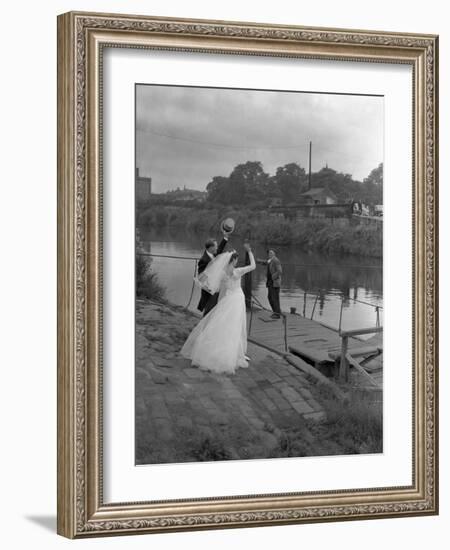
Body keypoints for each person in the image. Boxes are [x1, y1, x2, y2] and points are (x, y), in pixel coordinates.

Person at [181, 244, 256, 374]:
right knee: (236, 326)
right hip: (237, 300)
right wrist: (250, 252)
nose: (237, 262)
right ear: (233, 260)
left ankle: (224, 351)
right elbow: (253, 266)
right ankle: (235, 354)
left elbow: (217, 288)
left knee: (224, 325)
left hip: (228, 300)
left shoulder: (222, 273)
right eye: (236, 259)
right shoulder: (238, 271)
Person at [197, 230, 229, 316]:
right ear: (210, 248)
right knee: (208, 311)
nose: (217, 248)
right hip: (208, 290)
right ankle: (203, 327)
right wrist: (210, 285)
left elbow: (219, 250)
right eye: (215, 246)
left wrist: (225, 238)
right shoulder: (204, 260)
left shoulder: (213, 254)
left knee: (213, 310)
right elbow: (200, 277)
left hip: (215, 288)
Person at [257, 249, 282, 319]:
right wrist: (258, 261)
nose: (269, 254)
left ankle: (277, 314)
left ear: (274, 254)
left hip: (274, 282)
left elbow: (280, 271)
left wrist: (273, 277)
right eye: (269, 253)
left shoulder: (276, 260)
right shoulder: (270, 260)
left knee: (274, 298)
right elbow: (266, 262)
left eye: (271, 253)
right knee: (271, 297)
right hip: (270, 282)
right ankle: (277, 312)